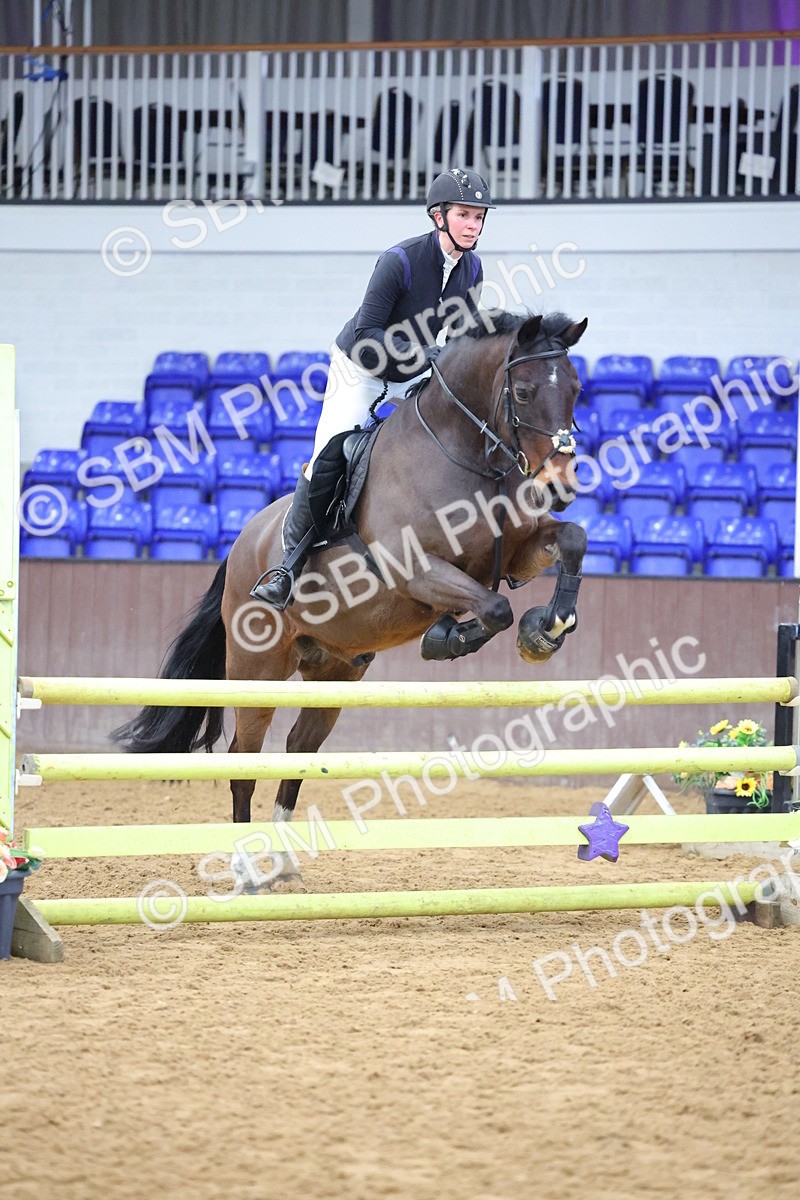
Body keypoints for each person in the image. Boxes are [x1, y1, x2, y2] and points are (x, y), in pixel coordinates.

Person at [251, 167, 495, 610]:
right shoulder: (398, 261)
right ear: (438, 216)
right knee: (326, 457)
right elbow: (367, 334)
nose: (472, 225)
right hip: (360, 370)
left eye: (478, 217)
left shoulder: (472, 270)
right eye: (464, 215)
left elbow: (459, 338)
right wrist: (425, 355)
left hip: (412, 369)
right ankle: (288, 567)